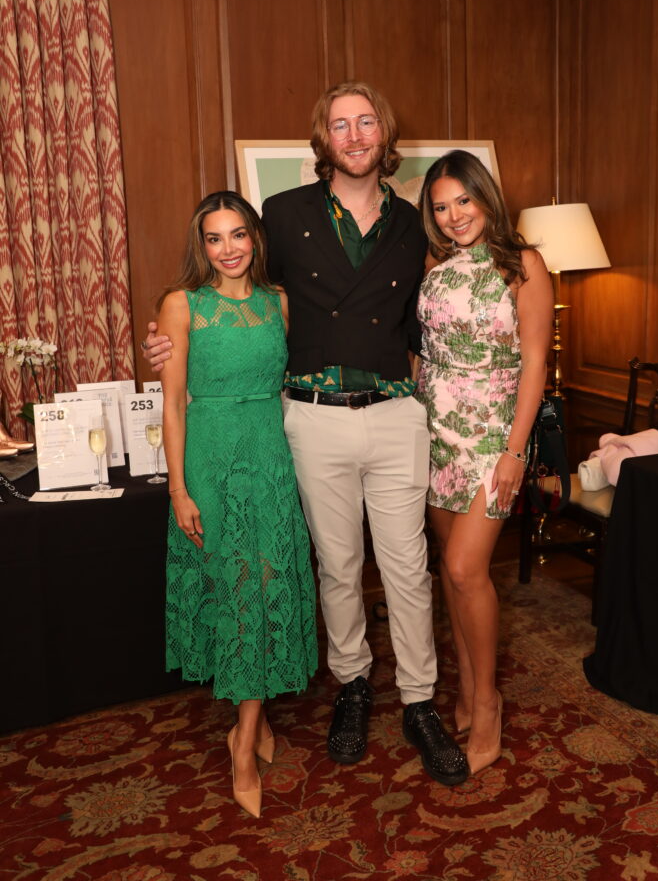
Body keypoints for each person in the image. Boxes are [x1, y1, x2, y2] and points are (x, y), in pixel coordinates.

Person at [144, 82, 469, 788]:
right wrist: (171, 343)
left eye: (365, 124)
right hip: (312, 417)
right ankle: (352, 686)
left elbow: (442, 311)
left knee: (408, 567)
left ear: (384, 135)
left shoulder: (416, 225)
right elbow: (236, 300)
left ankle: (418, 701)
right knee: (336, 566)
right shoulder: (281, 216)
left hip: (393, 413)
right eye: (339, 125)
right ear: (322, 138)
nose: (353, 136)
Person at [156, 191, 318, 819]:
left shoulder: (278, 303)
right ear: (202, 246)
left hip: (270, 455)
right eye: (215, 238)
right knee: (233, 587)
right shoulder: (181, 306)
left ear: (256, 237)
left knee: (267, 580)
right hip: (210, 459)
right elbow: (172, 405)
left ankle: (246, 732)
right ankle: (247, 737)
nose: (229, 249)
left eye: (239, 235)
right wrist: (178, 489)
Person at [416, 150, 553, 775]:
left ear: (485, 197)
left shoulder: (523, 264)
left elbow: (534, 364)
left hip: (494, 436)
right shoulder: (433, 264)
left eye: (463, 201)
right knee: (450, 571)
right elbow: (424, 352)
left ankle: (487, 703)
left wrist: (516, 451)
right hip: (435, 432)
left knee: (468, 567)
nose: (453, 217)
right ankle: (468, 690)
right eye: (441, 207)